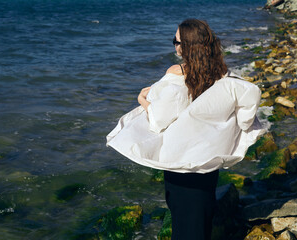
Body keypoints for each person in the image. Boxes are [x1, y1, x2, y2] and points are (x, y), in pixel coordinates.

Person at [106, 19, 266, 239]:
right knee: (201, 219)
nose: (174, 46)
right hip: (208, 161)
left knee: (183, 222)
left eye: (176, 41)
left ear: (187, 47)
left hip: (180, 163)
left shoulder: (177, 72)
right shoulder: (220, 73)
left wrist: (142, 99)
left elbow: (159, 119)